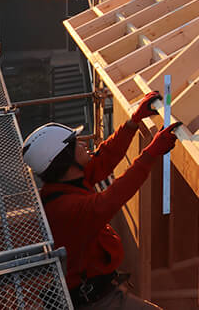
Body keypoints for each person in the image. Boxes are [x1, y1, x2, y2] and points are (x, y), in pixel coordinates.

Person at [22, 92, 179, 309]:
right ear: (65, 160)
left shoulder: (67, 181)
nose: (83, 143)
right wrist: (151, 153)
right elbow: (111, 198)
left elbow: (104, 158)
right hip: (93, 302)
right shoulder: (64, 208)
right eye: (76, 144)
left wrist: (133, 122)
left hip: (100, 289)